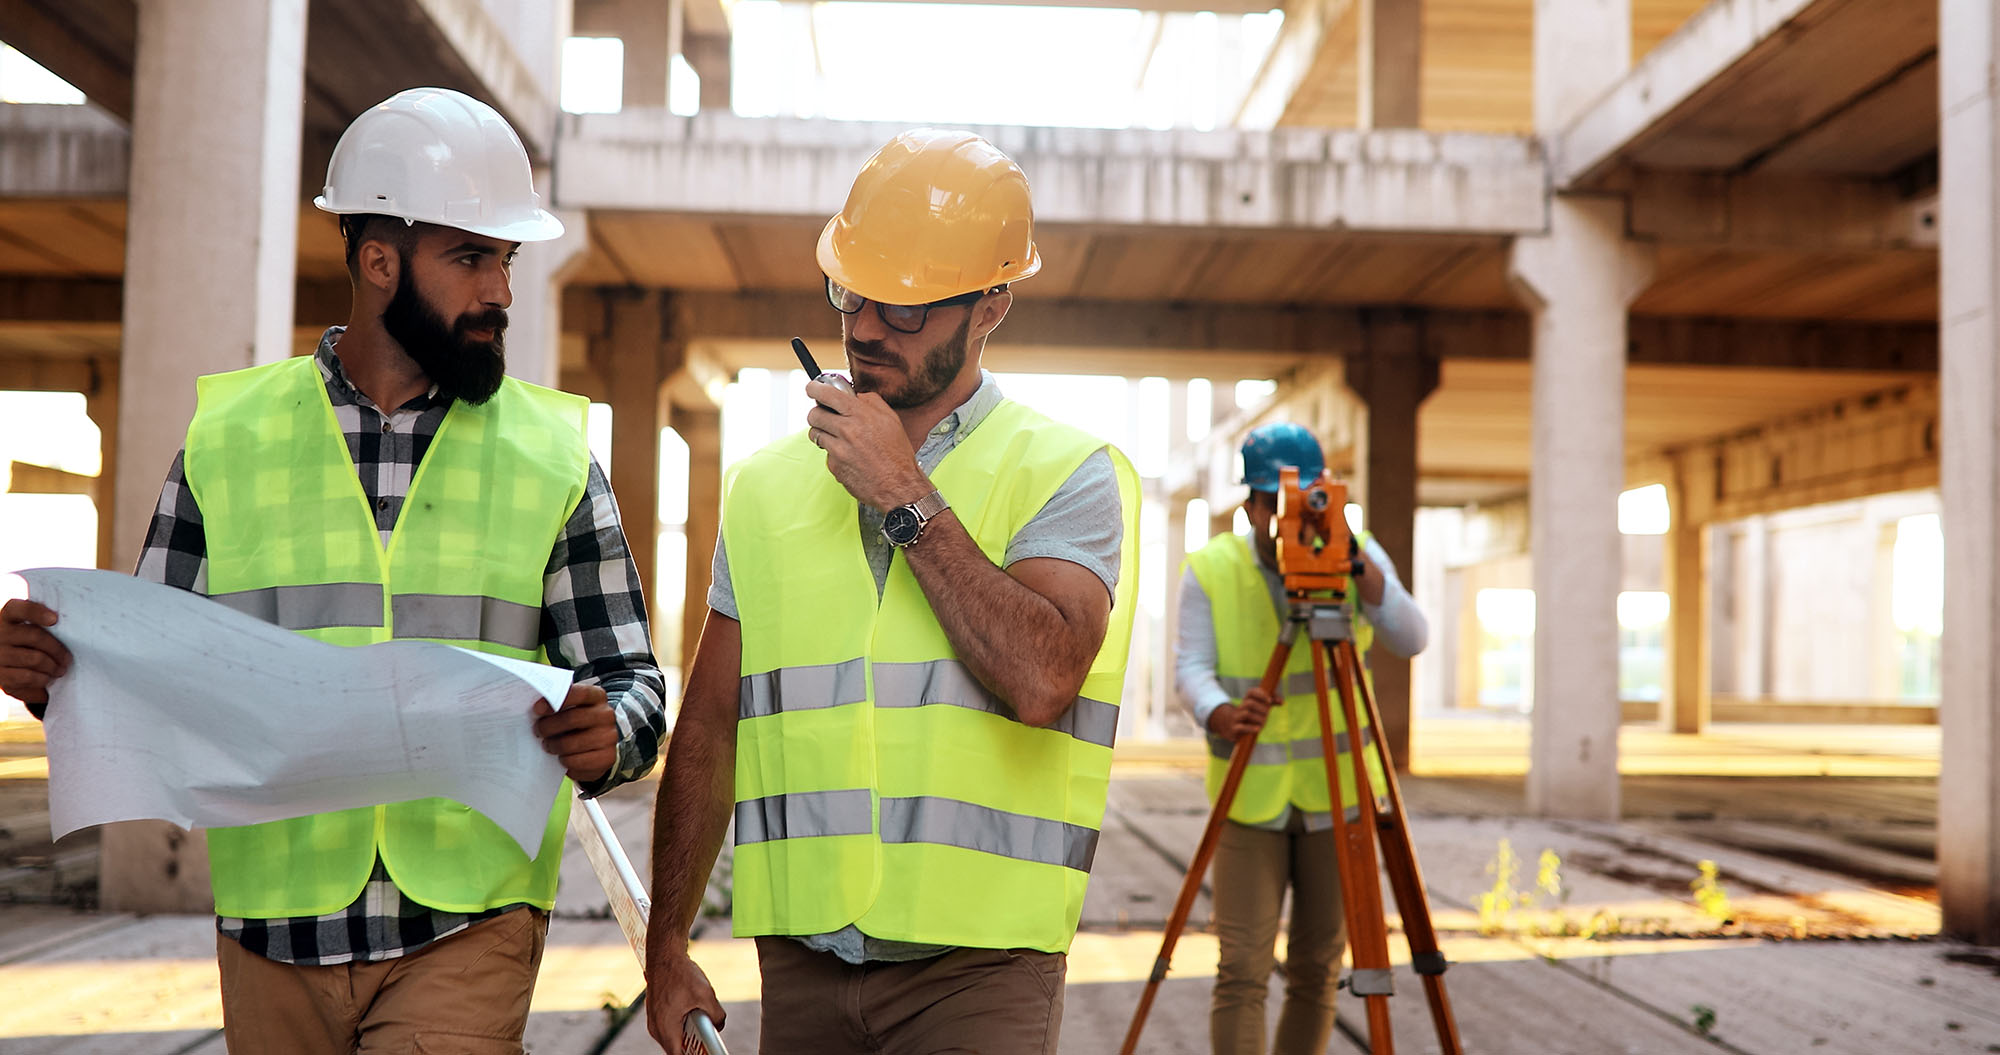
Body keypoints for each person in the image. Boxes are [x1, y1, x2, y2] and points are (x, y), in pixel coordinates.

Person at [0, 87, 666, 1055]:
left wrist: (611, 732)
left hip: (466, 921)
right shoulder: (228, 442)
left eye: (506, 261)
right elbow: (148, 671)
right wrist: (45, 673)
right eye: (471, 256)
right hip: (275, 925)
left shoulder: (552, 455)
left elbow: (635, 684)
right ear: (377, 259)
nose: (501, 293)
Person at [642, 129, 1140, 1055]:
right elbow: (710, 724)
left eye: (906, 311)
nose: (867, 326)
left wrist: (904, 494)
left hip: (978, 970)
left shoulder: (1065, 473)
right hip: (803, 960)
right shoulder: (767, 485)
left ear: (991, 306)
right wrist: (665, 946)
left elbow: (1043, 677)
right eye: (852, 293)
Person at [1177, 422, 1428, 1055]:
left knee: (1318, 969)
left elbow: (1410, 636)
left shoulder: (1356, 553)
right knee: (1241, 969)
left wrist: (1352, 561)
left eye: (1301, 498)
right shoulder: (1211, 569)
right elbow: (1191, 668)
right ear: (1250, 506)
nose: (1285, 516)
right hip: (1250, 797)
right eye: (1273, 502)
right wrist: (1219, 713)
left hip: (1338, 797)